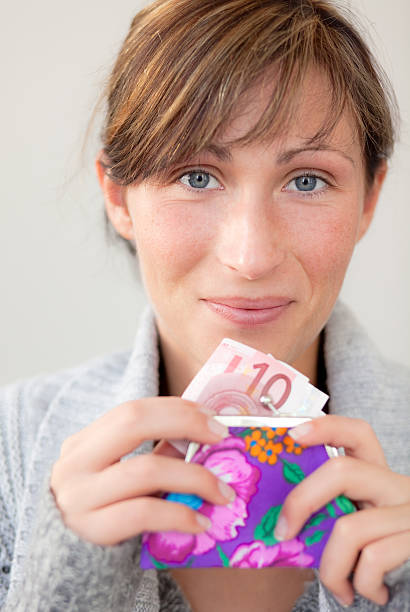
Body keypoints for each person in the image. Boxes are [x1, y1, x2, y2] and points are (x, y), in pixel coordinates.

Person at [1, 0, 409, 610]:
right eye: (196, 176)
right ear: (118, 196)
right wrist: (69, 578)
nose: (251, 257)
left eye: (307, 180)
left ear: (368, 200)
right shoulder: (14, 443)